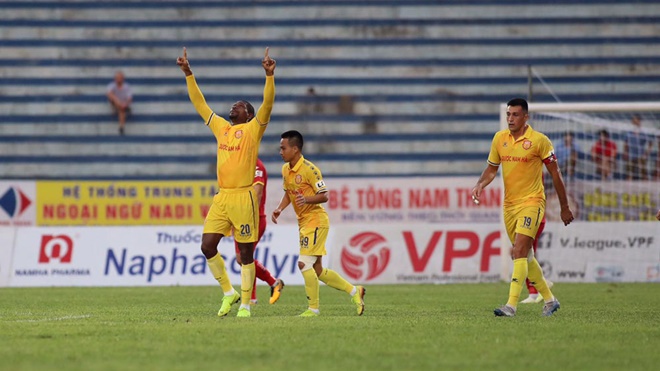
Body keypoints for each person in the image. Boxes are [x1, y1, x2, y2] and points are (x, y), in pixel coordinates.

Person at [177, 46, 276, 318]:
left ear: (248, 114)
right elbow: (200, 104)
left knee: (245, 255)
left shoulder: (254, 129)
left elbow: (267, 105)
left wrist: (269, 77)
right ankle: (228, 292)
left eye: (240, 105)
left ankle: (245, 305)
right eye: (235, 105)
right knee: (207, 245)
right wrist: (188, 73)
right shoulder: (222, 128)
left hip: (244, 198)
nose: (235, 105)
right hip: (222, 197)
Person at [472, 98, 574, 317]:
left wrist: (564, 206)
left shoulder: (539, 141)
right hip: (509, 206)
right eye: (508, 114)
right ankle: (550, 300)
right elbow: (491, 169)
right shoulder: (500, 139)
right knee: (525, 256)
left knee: (518, 250)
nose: (510, 118)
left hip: (532, 202)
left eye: (515, 115)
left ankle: (511, 305)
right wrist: (480, 184)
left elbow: (555, 173)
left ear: (525, 116)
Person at [271, 130, 365, 317]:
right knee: (318, 270)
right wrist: (280, 208)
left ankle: (313, 309)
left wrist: (306, 200)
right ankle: (355, 291)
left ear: (295, 149)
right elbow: (289, 193)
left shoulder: (310, 169)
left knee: (303, 264)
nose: (280, 151)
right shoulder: (285, 169)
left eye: (283, 148)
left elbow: (324, 196)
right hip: (304, 222)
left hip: (315, 221)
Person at [233, 158, 285, 305]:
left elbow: (258, 192)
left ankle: (271, 284)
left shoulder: (256, 165)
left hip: (252, 219)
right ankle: (254, 296)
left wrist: (246, 214)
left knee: (244, 258)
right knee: (245, 257)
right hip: (238, 218)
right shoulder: (238, 164)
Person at [519, 216, 554, 304]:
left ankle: (534, 292)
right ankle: (539, 286)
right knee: (525, 253)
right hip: (526, 218)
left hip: (531, 218)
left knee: (524, 253)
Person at [622, 114, 652, 180]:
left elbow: (650, 143)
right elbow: (626, 143)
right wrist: (625, 152)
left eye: (635, 120)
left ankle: (646, 189)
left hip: (641, 155)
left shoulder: (644, 132)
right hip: (631, 155)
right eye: (633, 121)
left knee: (643, 174)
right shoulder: (629, 132)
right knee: (629, 174)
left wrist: (647, 153)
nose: (633, 122)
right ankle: (628, 189)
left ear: (639, 121)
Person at [106, 71, 133, 136]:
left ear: (123, 79)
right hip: (114, 102)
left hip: (123, 103)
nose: (118, 79)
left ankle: (121, 127)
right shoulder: (111, 85)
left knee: (121, 109)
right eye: (117, 78)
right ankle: (122, 108)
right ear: (115, 79)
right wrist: (119, 102)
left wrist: (125, 104)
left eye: (120, 78)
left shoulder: (127, 87)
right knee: (110, 94)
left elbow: (130, 98)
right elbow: (109, 94)